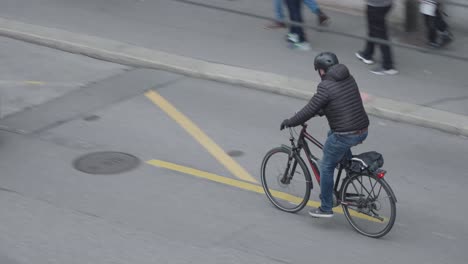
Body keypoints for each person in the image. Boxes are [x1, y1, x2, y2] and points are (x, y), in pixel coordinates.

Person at [280, 52, 369, 218]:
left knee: (326, 167)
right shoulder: (348, 77)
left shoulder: (325, 87)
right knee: (332, 136)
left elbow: (310, 108)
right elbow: (337, 102)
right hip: (362, 129)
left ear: (322, 70)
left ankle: (326, 207)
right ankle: (346, 165)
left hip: (346, 134)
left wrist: (291, 121)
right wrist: (319, 112)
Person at [355, 0, 398, 75]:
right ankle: (367, 54)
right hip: (383, 4)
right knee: (373, 30)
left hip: (377, 6)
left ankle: (388, 66)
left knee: (380, 34)